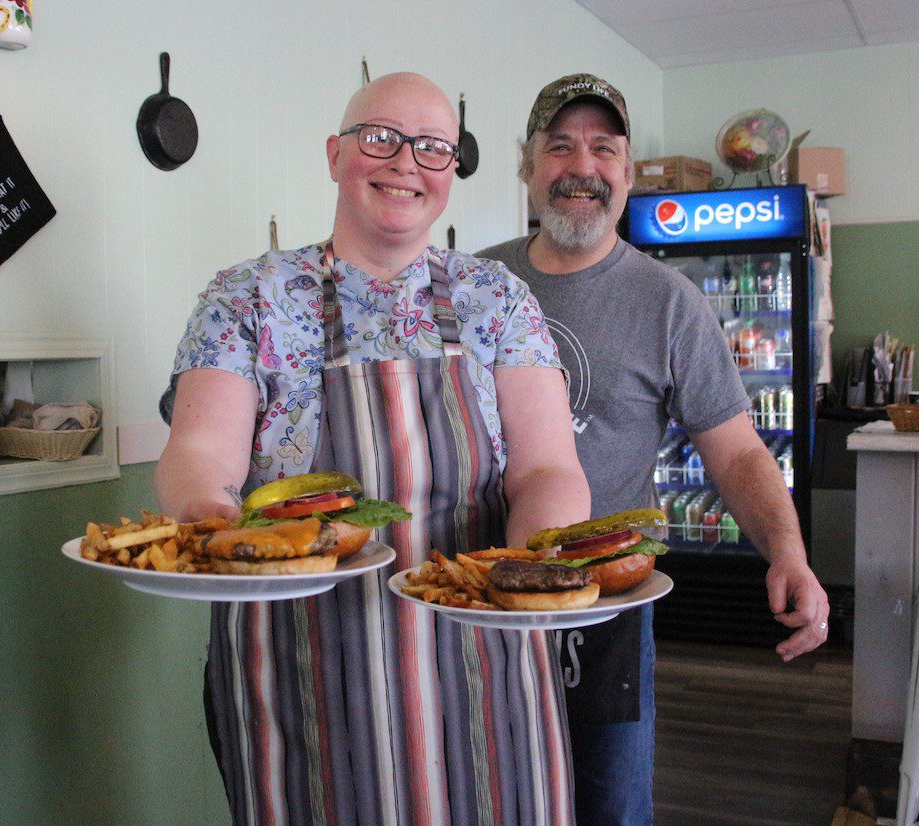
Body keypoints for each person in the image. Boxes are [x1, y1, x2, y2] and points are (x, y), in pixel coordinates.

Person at [155, 72, 590, 824]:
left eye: (432, 147)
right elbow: (201, 454)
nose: (405, 163)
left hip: (484, 657)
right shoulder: (248, 296)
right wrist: (210, 522)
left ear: (451, 170)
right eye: (380, 138)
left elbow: (548, 467)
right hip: (298, 667)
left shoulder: (499, 299)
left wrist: (534, 566)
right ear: (335, 154)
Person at [477, 73, 830, 825]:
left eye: (603, 148)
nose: (582, 167)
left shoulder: (670, 302)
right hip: (474, 596)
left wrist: (789, 553)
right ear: (527, 164)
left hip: (606, 606)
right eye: (560, 146)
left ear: (628, 172)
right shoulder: (476, 284)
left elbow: (737, 454)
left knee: (607, 804)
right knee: (482, 797)